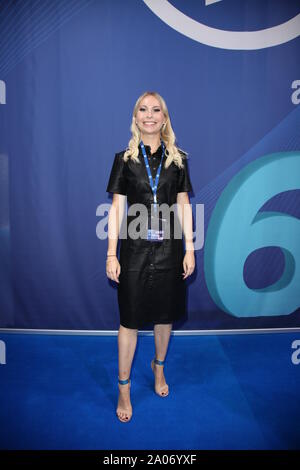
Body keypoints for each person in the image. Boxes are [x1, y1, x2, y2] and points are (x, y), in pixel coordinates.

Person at [106, 91, 195, 423]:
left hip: (170, 249)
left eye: (156, 110)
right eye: (143, 109)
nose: (149, 115)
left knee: (164, 316)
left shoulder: (179, 159)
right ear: (135, 117)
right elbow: (116, 209)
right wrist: (111, 254)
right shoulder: (124, 158)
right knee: (128, 320)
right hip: (134, 250)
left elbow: (183, 204)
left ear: (164, 117)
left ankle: (158, 370)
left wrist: (189, 249)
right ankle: (124, 388)